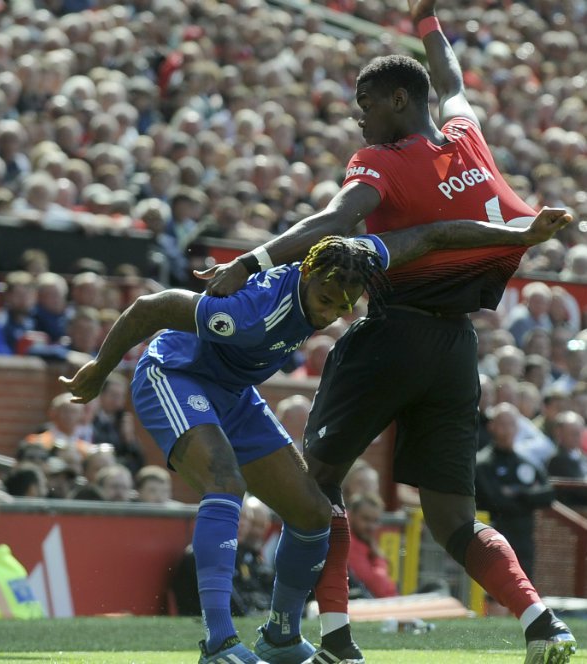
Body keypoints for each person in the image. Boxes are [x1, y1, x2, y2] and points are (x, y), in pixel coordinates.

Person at [195, 1, 578, 659]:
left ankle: (331, 636)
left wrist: (250, 264)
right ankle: (543, 624)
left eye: (365, 101)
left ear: (398, 100)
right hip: (458, 350)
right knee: (456, 519)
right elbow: (451, 80)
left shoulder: (382, 161)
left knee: (316, 485)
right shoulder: (467, 136)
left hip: (390, 335)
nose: (358, 115)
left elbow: (332, 221)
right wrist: (427, 22)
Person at [63, 210, 571, 663]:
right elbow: (152, 308)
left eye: (345, 303)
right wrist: (99, 368)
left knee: (311, 513)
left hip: (234, 391)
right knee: (224, 480)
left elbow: (434, 234)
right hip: (175, 374)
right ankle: (218, 644)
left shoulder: (353, 260)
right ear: (306, 274)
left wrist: (519, 234)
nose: (332, 311)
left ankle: (281, 636)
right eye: (326, 298)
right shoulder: (249, 312)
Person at [476, 403, 556, 582]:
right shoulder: (483, 463)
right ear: (492, 427)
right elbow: (495, 500)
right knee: (494, 588)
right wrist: (528, 498)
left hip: (523, 539)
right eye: (502, 424)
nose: (507, 430)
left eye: (511, 424)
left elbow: (548, 495)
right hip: (493, 537)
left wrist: (518, 492)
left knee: (524, 586)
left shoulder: (526, 462)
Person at [346, 492, 397, 599]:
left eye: (375, 521)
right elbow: (379, 588)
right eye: (365, 519)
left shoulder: (365, 540)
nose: (371, 526)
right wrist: (379, 557)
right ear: (351, 515)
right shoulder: (349, 542)